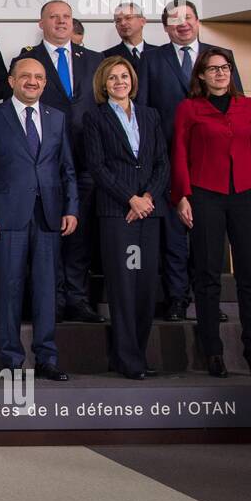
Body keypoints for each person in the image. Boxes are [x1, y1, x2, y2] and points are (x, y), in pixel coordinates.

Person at [171, 50, 251, 379]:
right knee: (207, 278)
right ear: (200, 75)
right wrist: (182, 196)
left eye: (225, 68)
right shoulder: (189, 108)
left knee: (249, 278)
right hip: (205, 195)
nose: (220, 73)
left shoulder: (249, 107)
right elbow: (180, 154)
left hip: (246, 194)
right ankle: (213, 352)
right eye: (213, 69)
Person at [0, 57, 76, 380]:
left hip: (48, 216)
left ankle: (46, 358)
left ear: (45, 83)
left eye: (39, 77)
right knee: (9, 288)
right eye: (25, 76)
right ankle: (11, 358)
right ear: (12, 81)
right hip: (5, 217)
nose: (33, 81)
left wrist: (72, 208)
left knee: (46, 290)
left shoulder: (57, 118)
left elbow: (67, 169)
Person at [143, 0, 243, 323]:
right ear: (166, 27)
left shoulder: (220, 57)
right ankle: (176, 299)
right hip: (169, 160)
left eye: (188, 17)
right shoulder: (151, 58)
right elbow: (144, 111)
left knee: (209, 236)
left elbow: (237, 106)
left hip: (213, 164)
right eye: (174, 20)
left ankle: (207, 303)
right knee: (174, 235)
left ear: (198, 21)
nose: (182, 23)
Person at [13, 0, 106, 323]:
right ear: (42, 23)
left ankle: (77, 300)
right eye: (54, 17)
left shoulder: (96, 60)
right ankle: (50, 299)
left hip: (89, 160)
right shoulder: (27, 61)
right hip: (45, 161)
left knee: (79, 233)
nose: (61, 22)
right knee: (47, 234)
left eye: (66, 16)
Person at [83, 55, 168, 380]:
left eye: (124, 76)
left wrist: (147, 198)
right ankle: (125, 358)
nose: (119, 82)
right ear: (103, 85)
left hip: (149, 211)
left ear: (132, 80)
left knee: (146, 286)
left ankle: (139, 354)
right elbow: (97, 166)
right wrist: (130, 198)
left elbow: (162, 162)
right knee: (123, 286)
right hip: (117, 212)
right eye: (112, 78)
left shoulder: (150, 115)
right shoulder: (96, 118)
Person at [102, 1, 151, 90]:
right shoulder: (105, 57)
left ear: (142, 21)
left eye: (128, 18)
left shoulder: (159, 54)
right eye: (118, 20)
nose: (123, 23)